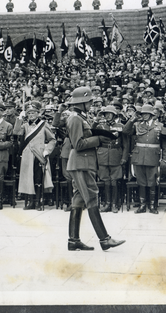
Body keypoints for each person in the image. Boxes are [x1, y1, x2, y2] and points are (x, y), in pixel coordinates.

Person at [66, 86, 125, 251]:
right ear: (82, 102)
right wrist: (99, 139)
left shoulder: (80, 117)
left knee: (78, 199)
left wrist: (102, 136)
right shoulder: (76, 119)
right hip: (81, 162)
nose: (91, 104)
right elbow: (78, 144)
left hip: (81, 162)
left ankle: (73, 240)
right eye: (89, 101)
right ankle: (104, 239)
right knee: (91, 197)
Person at [122, 104, 166, 214]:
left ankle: (152, 206)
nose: (144, 115)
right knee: (141, 181)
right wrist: (133, 118)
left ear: (152, 114)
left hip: (153, 156)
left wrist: (165, 159)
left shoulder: (160, 126)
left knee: (152, 181)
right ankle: (142, 205)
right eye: (143, 113)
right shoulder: (137, 125)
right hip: (139, 156)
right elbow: (125, 131)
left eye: (147, 113)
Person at [13, 101, 56, 210]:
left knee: (38, 178)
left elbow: (52, 140)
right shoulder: (25, 125)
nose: (31, 115)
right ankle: (30, 202)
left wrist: (47, 150)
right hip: (27, 155)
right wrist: (19, 119)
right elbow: (16, 132)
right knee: (28, 178)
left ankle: (38, 202)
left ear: (38, 113)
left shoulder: (44, 125)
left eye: (33, 113)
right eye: (29, 113)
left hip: (40, 154)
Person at [92, 105, 128, 213]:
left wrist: (124, 157)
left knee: (114, 180)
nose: (107, 116)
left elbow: (125, 144)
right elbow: (90, 132)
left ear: (114, 115)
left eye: (109, 114)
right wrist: (96, 120)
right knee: (106, 180)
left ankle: (114, 204)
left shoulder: (120, 126)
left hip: (116, 154)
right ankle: (107, 203)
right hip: (103, 155)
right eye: (105, 114)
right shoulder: (100, 126)